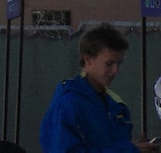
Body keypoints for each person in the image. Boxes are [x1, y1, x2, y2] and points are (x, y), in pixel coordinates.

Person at [41, 24, 158, 153]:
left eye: (119, 64)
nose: (115, 71)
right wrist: (127, 149)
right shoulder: (68, 103)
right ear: (88, 59)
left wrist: (135, 148)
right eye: (109, 64)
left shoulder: (115, 104)